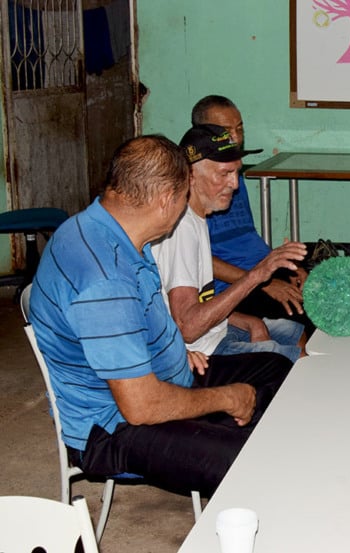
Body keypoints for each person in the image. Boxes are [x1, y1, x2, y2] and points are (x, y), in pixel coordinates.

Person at [28, 135, 299, 495]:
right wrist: (226, 397)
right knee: (253, 462)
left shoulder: (107, 227)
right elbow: (142, 407)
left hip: (157, 379)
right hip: (115, 426)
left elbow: (134, 321)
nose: (187, 206)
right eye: (185, 196)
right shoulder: (104, 280)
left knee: (278, 371)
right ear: (166, 200)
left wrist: (172, 347)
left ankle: (239, 442)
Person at [152, 124, 308, 362]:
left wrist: (250, 321)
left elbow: (202, 302)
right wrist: (257, 275)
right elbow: (187, 327)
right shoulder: (181, 228)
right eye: (224, 174)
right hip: (200, 354)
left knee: (295, 333)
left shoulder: (197, 217)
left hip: (216, 331)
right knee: (297, 363)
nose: (235, 184)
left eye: (236, 173)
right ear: (190, 175)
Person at [191, 95, 310, 327]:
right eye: (226, 131)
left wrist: (285, 266)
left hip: (261, 272)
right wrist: (263, 282)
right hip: (232, 286)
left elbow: (247, 241)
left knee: (327, 294)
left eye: (239, 129)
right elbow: (197, 258)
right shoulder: (193, 184)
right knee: (307, 316)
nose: (235, 138)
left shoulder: (233, 175)